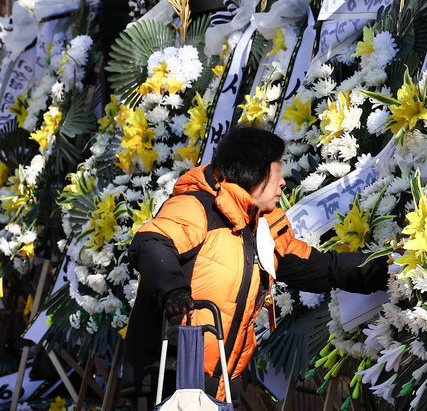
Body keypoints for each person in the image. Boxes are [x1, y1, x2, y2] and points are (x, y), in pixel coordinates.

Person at [122, 126, 388, 403]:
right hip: (169, 379)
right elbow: (150, 242)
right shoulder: (196, 207)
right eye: (277, 170)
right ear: (254, 170)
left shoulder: (264, 226)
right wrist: (173, 290)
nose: (283, 182)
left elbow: (323, 267)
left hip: (221, 387)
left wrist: (392, 269)